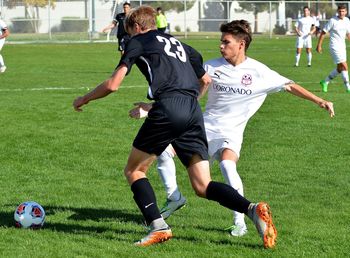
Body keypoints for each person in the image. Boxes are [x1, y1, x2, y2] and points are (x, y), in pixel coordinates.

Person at [73, 6, 278, 249]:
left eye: (129, 31)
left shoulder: (137, 41)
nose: (129, 37)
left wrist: (84, 99)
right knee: (202, 185)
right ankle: (252, 209)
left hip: (170, 108)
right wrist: (184, 99)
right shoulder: (178, 43)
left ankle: (158, 227)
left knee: (134, 171)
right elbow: (205, 78)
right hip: (192, 112)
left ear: (137, 27)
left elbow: (113, 84)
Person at [130, 19, 335, 240]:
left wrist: (319, 100)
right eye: (221, 41)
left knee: (227, 166)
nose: (221, 46)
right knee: (163, 152)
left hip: (232, 132)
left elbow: (290, 85)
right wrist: (154, 107)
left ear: (241, 44)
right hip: (203, 127)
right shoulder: (211, 66)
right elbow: (186, 90)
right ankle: (174, 196)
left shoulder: (258, 71)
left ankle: (241, 222)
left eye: (226, 42)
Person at [317, 4, 350, 93]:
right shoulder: (332, 20)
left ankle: (325, 82)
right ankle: (348, 87)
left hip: (343, 47)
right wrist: (319, 45)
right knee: (344, 65)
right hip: (334, 46)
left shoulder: (347, 20)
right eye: (340, 11)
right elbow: (323, 33)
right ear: (337, 12)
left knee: (340, 68)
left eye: (343, 11)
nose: (341, 13)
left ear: (346, 12)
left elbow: (348, 34)